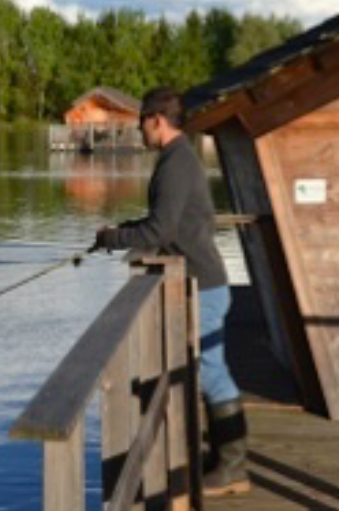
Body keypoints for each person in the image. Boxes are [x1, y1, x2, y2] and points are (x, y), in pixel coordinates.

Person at [93, 86, 250, 497]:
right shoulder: (178, 159)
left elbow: (159, 231)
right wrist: (122, 229)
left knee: (213, 374)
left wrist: (115, 239)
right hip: (201, 281)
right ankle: (226, 462)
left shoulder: (176, 163)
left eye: (139, 123)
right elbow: (165, 220)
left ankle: (233, 468)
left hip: (205, 285)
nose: (139, 132)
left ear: (156, 120)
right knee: (210, 372)